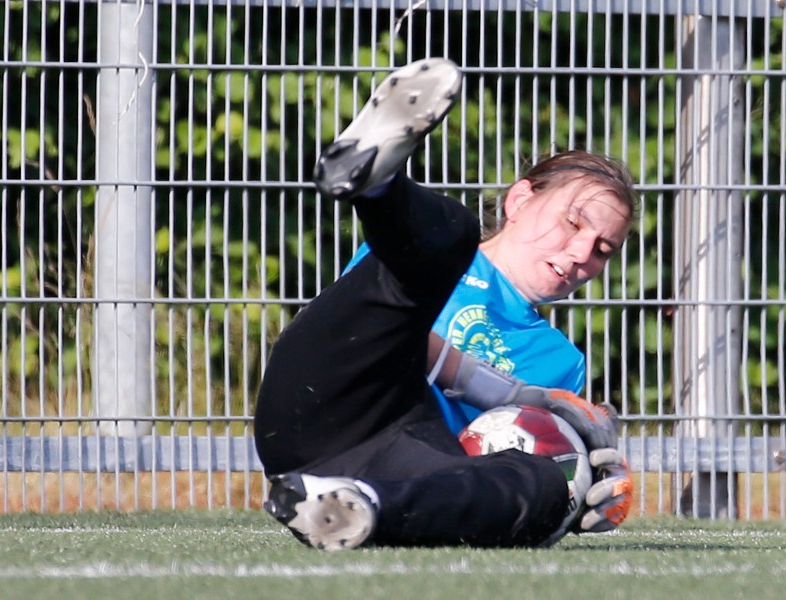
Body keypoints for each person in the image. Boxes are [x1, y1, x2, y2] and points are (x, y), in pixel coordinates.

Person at [254, 58, 634, 550]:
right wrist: (503, 391)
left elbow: (534, 454)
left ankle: (356, 507)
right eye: (574, 223)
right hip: (325, 404)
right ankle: (377, 185)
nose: (583, 253)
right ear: (519, 201)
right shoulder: (422, 251)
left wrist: (585, 471)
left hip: (407, 464)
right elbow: (378, 340)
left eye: (604, 249)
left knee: (544, 488)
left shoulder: (560, 362)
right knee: (453, 235)